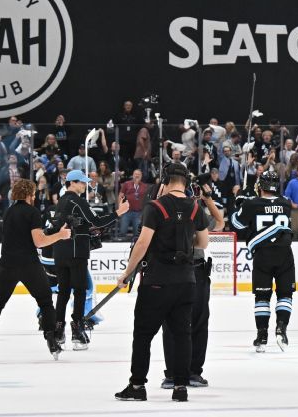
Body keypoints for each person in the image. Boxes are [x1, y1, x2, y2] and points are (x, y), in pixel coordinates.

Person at [114, 165, 210, 403]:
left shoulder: (155, 207)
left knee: (143, 335)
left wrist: (127, 272)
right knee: (182, 335)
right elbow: (203, 243)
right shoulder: (196, 206)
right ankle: (180, 387)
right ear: (186, 183)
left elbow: (142, 243)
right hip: (186, 281)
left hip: (157, 281)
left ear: (165, 181)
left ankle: (137, 385)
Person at [0, 179, 71, 361]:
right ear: (29, 194)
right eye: (34, 193)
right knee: (45, 302)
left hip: (7, 265)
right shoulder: (32, 212)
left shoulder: (8, 212)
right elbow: (39, 241)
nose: (35, 196)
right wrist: (60, 235)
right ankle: (52, 341)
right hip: (29, 265)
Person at [160, 168, 225, 390]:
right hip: (189, 268)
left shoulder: (193, 207)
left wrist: (207, 199)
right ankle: (185, 372)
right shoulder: (165, 206)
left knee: (185, 322)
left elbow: (219, 223)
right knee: (183, 322)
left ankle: (187, 372)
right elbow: (219, 225)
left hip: (190, 268)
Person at [53, 169, 128, 350]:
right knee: (79, 289)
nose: (85, 185)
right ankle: (77, 329)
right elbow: (98, 220)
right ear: (72, 183)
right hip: (75, 251)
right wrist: (119, 212)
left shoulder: (61, 201)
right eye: (82, 182)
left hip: (60, 251)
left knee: (63, 291)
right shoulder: (78, 202)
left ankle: (58, 329)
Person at [230, 170, 295, 351]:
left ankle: (262, 334)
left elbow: (237, 224)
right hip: (284, 254)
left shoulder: (252, 204)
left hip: (263, 255)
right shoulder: (286, 203)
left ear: (261, 185)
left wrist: (239, 203)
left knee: (262, 296)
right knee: (285, 294)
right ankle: (281, 328)